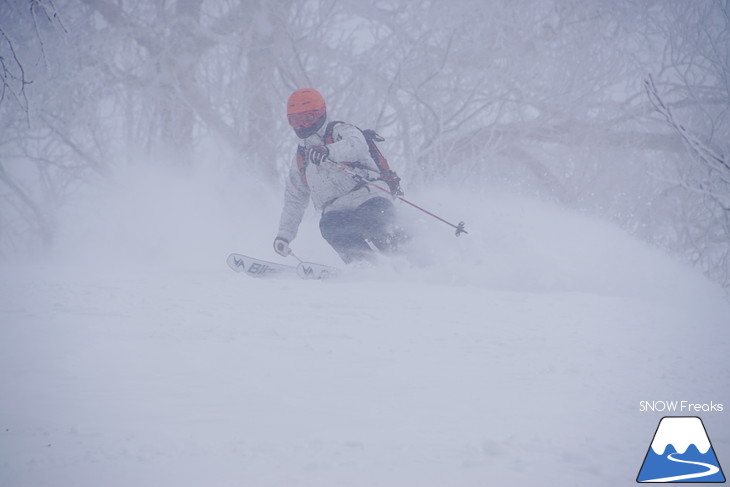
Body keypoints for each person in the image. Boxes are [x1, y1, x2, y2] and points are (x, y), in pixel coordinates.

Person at [273, 88, 403, 264]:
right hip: (336, 209)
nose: (302, 126)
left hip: (368, 195)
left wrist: (329, 151)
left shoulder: (338, 131)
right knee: (331, 228)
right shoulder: (301, 158)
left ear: (320, 114)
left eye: (308, 118)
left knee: (375, 222)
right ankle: (365, 267)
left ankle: (407, 258)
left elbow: (357, 144)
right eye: (295, 121)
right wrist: (284, 235)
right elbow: (295, 198)